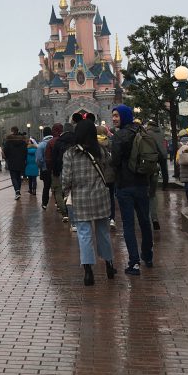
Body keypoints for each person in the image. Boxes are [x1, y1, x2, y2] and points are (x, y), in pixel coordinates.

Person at [62, 120, 117, 285]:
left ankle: (88, 272)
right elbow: (109, 171)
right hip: (100, 197)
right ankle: (109, 265)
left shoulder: (70, 154)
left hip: (80, 198)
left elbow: (66, 178)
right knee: (103, 233)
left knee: (84, 235)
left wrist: (66, 193)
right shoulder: (101, 151)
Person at [110, 104, 154, 275]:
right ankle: (148, 256)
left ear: (124, 116)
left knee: (128, 224)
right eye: (113, 115)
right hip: (142, 182)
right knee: (144, 220)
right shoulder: (142, 131)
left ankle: (134, 263)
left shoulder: (120, 136)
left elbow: (114, 161)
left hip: (125, 185)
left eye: (117, 115)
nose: (114, 118)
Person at [145, 119, 169, 230]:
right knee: (164, 170)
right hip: (163, 154)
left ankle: (148, 218)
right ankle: (165, 184)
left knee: (148, 193)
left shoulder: (148, 133)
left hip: (153, 157)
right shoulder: (161, 131)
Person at [38, 125, 62, 209]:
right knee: (57, 186)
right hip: (56, 167)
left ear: (43, 134)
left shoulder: (41, 145)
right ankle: (58, 203)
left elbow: (39, 159)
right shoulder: (57, 141)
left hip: (45, 169)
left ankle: (44, 203)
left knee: (46, 186)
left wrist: (42, 167)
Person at [1, 126, 28, 200]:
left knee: (13, 177)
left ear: (12, 131)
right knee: (19, 177)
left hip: (12, 161)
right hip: (21, 161)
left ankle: (17, 191)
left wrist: (7, 157)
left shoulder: (8, 140)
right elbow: (26, 151)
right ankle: (18, 190)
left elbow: (5, 151)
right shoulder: (23, 140)